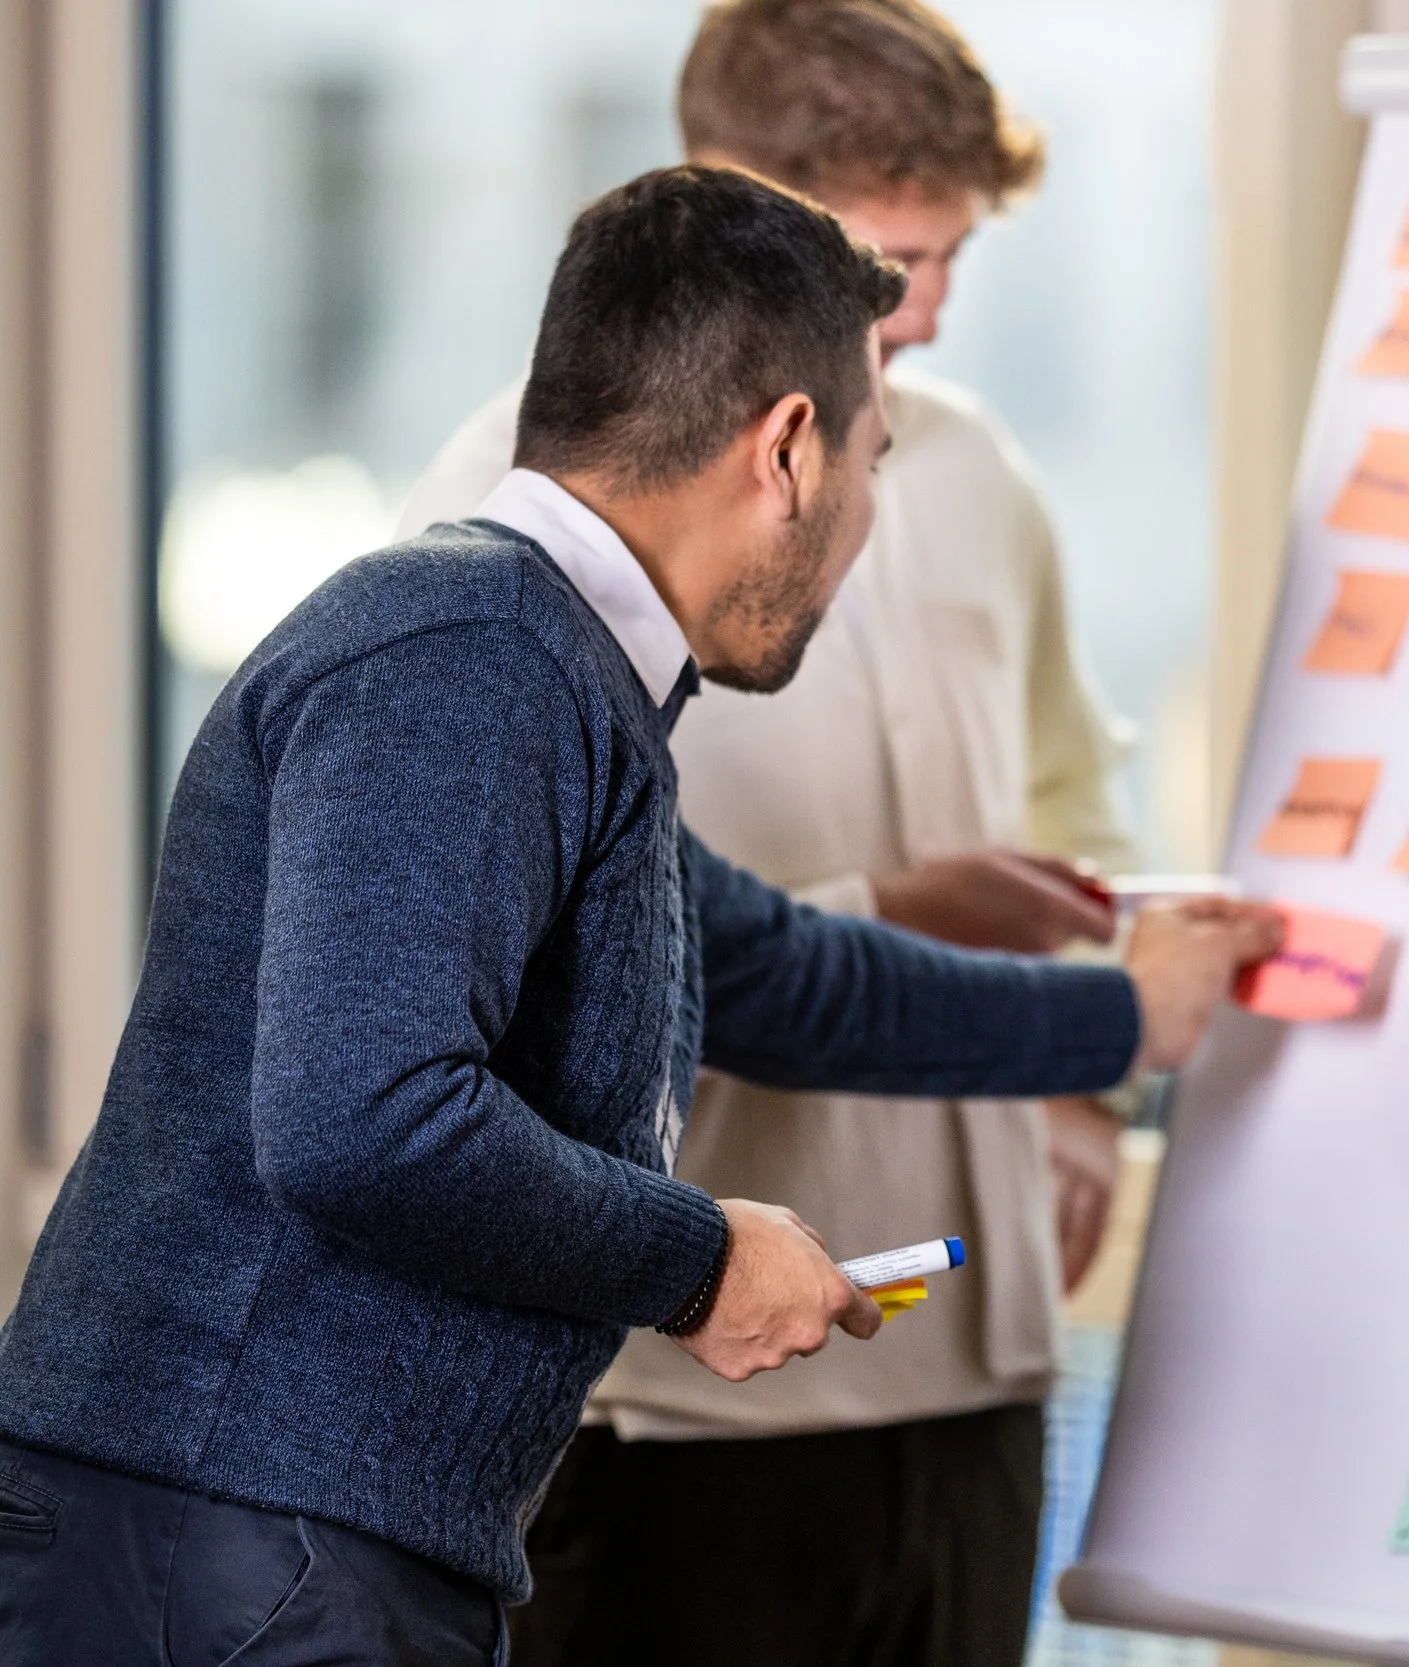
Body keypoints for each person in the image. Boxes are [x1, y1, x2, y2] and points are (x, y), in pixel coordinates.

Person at [0, 165, 1277, 1667]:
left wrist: (1126, 1013)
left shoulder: (549, 673)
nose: (864, 518)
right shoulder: (470, 654)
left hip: (282, 1538)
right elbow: (364, 1113)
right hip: (245, 1546)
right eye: (874, 459)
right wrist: (701, 1257)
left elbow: (777, 974)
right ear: (790, 450)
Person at [398, 6, 1175, 1661]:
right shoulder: (517, 519)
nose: (934, 307)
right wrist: (891, 909)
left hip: (970, 1375)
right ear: (734, 206)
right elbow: (534, 981)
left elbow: (1076, 819)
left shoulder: (974, 474)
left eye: (954, 253)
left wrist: (1089, 1100)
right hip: (684, 1402)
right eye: (897, 253)